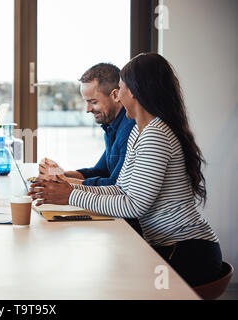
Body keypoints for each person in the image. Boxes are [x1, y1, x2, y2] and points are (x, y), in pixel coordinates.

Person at [29, 53, 222, 288]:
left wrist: (70, 195)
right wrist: (67, 188)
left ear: (135, 92)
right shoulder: (138, 132)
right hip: (169, 247)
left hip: (188, 252)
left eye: (120, 88)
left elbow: (134, 206)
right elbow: (120, 188)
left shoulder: (156, 135)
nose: (117, 95)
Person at [39, 63, 140, 235]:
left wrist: (67, 187)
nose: (87, 109)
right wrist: (62, 175)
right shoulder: (111, 126)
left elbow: (116, 185)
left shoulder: (130, 127)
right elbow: (101, 170)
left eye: (93, 102)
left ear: (116, 95)